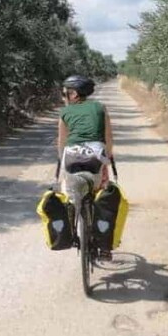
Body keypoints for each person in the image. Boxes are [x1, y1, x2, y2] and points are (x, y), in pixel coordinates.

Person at [56, 75, 115, 257]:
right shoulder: (100, 108)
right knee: (100, 193)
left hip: (72, 155)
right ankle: (103, 242)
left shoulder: (64, 113)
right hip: (96, 154)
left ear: (74, 94)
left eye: (65, 93)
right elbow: (108, 139)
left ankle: (71, 230)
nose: (64, 96)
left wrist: (62, 164)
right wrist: (108, 158)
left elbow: (61, 143)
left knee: (70, 193)